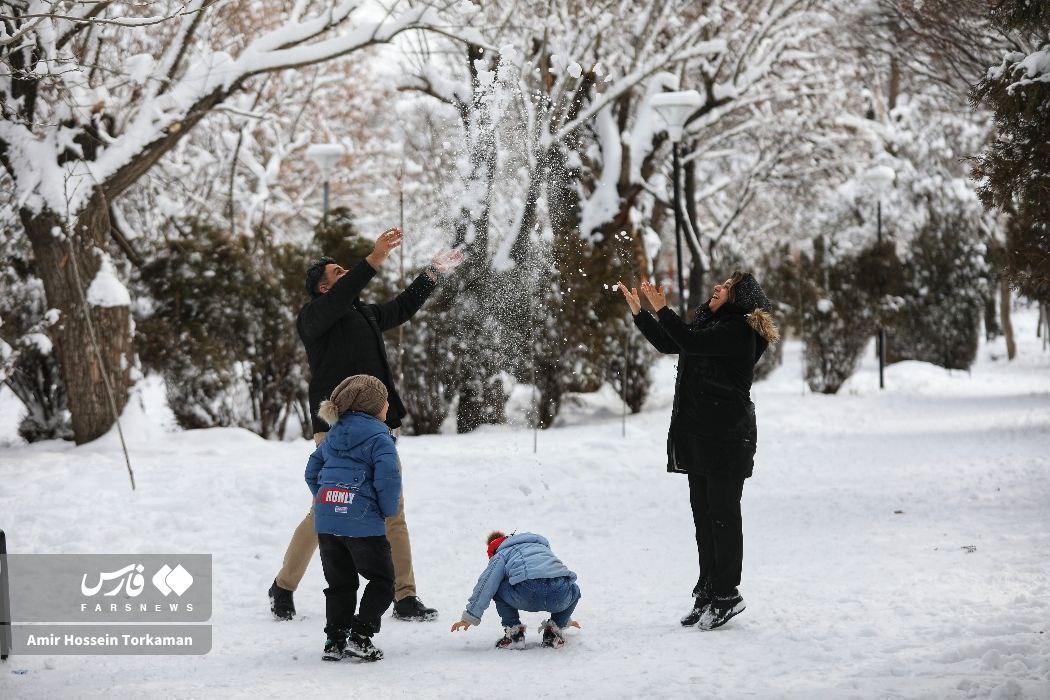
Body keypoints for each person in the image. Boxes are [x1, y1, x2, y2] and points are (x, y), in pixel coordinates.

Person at [268, 227, 463, 622]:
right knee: (324, 511)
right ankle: (284, 585)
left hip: (378, 428)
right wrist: (372, 260)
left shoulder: (366, 314)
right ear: (323, 289)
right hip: (336, 430)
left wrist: (432, 273)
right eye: (338, 272)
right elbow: (343, 294)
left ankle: (404, 596)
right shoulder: (313, 317)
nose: (346, 275)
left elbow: (404, 306)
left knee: (393, 509)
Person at [618, 272, 779, 630]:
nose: (718, 287)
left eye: (728, 286)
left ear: (738, 300)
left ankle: (727, 593)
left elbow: (687, 338)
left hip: (727, 440)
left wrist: (664, 309)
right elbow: (672, 342)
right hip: (703, 438)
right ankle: (708, 591)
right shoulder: (712, 328)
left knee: (722, 517)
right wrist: (642, 313)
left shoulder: (737, 330)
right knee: (704, 519)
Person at [306, 375, 400, 662]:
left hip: (328, 521)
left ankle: (334, 641)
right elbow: (388, 478)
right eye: (385, 401)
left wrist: (326, 501)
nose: (387, 406)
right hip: (362, 522)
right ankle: (360, 635)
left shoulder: (334, 434)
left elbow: (312, 471)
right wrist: (386, 510)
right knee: (383, 580)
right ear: (373, 407)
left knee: (340, 584)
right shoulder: (380, 437)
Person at [450, 531, 582, 649]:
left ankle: (515, 635)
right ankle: (554, 631)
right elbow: (551, 579)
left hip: (528, 593)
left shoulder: (501, 553)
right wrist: (565, 619)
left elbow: (487, 583)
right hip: (560, 596)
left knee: (498, 587)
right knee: (574, 589)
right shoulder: (541, 547)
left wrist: (471, 616)